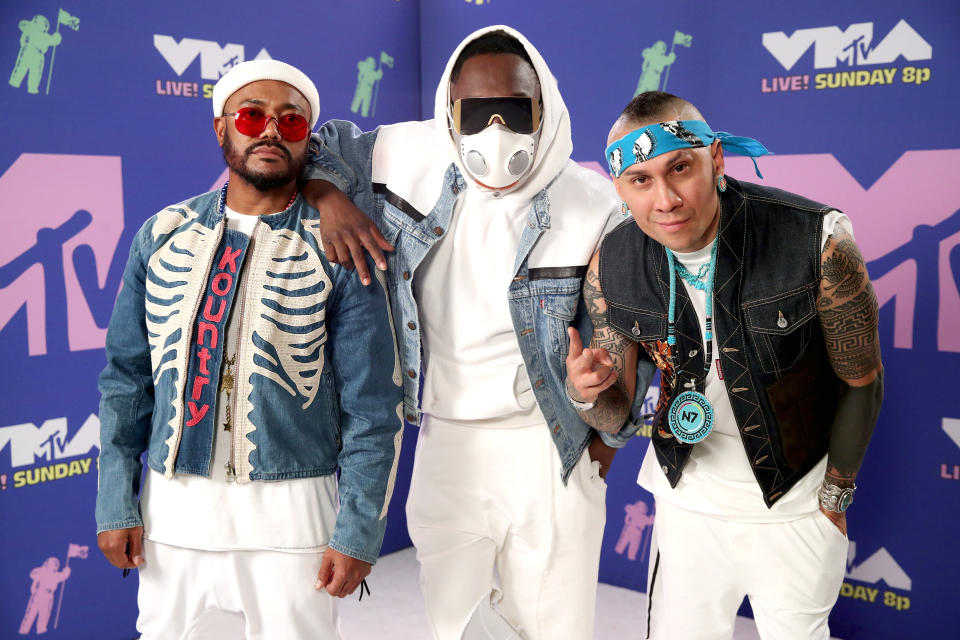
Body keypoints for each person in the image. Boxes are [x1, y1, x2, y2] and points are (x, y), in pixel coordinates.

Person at [300, 26, 650, 640]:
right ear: (448, 111)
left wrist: (595, 453)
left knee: (554, 627)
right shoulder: (403, 158)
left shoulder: (596, 205)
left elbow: (624, 347)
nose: (496, 129)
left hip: (545, 447)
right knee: (456, 627)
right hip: (446, 448)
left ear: (543, 108)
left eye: (514, 109)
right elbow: (319, 145)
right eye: (476, 111)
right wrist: (329, 196)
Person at [94, 59, 402, 640]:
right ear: (221, 128)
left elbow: (374, 407)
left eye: (289, 123)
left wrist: (358, 529)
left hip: (294, 520)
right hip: (172, 516)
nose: (268, 131)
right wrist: (116, 499)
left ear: (307, 141)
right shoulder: (162, 234)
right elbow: (125, 380)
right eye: (252, 115)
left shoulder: (340, 247)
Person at [566, 91, 884, 639]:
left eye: (679, 169)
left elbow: (863, 383)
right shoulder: (613, 263)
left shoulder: (816, 241)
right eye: (639, 180)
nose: (664, 199)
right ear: (618, 187)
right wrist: (587, 393)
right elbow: (614, 416)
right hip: (685, 504)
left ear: (716, 159)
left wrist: (833, 498)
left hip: (795, 504)